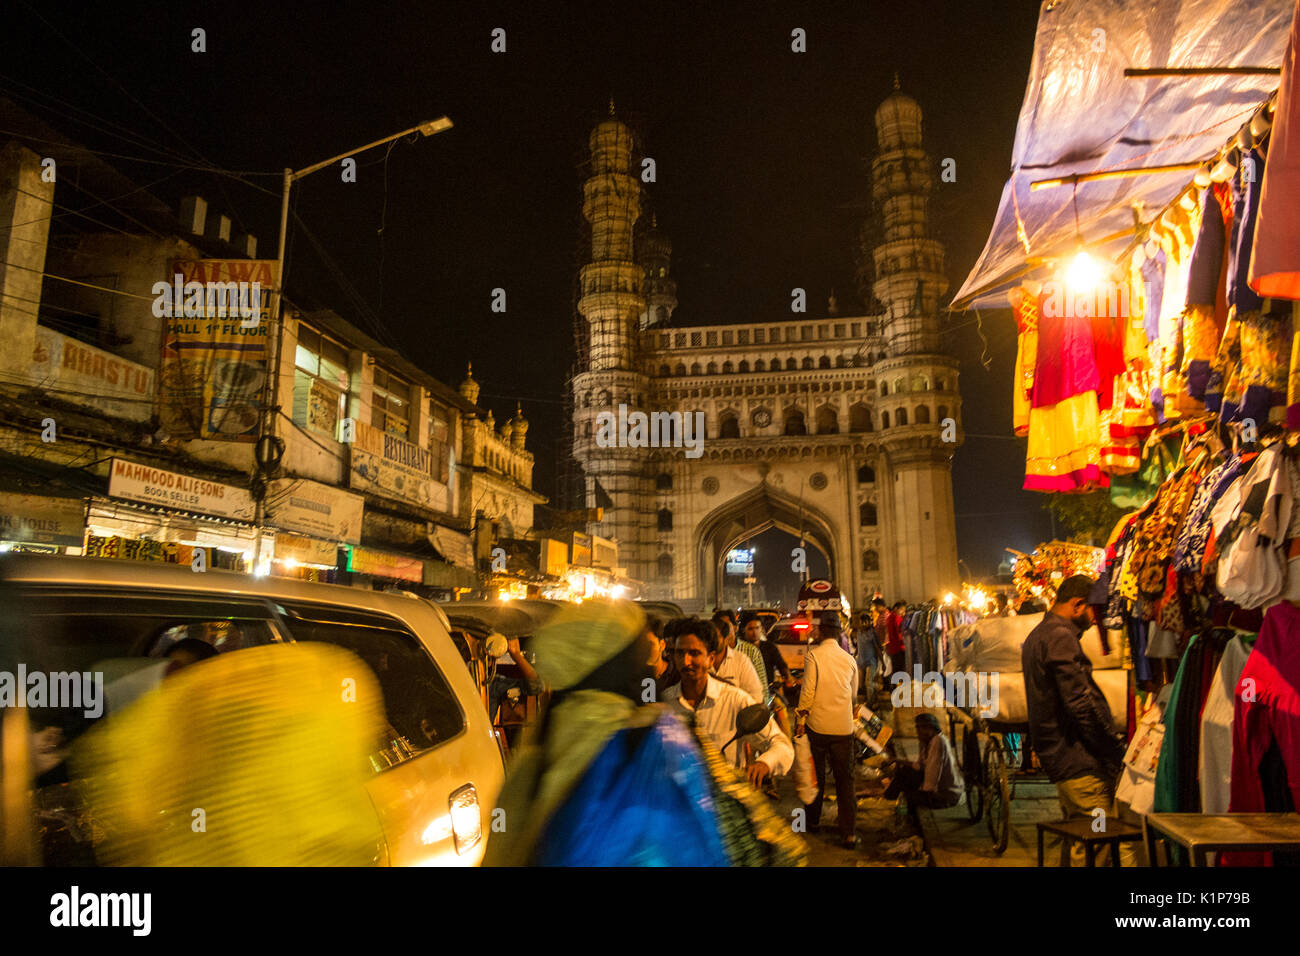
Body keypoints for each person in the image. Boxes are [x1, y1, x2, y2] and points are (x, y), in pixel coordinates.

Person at [1021, 574, 1129, 865]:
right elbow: (1081, 704)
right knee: (1096, 844)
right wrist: (1113, 751)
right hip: (1081, 765)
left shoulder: (1040, 635)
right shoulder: (1059, 637)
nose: (1098, 621)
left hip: (1065, 762)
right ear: (1078, 605)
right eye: (1096, 610)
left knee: (1080, 842)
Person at [663, 617, 792, 789]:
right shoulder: (665, 704)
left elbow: (781, 744)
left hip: (726, 804)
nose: (686, 662)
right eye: (680, 653)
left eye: (694, 653)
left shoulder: (735, 700)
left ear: (710, 658)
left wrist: (764, 764)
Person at [796, 614, 860, 848]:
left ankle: (812, 822)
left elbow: (808, 692)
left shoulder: (814, 656)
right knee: (846, 780)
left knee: (817, 777)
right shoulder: (849, 659)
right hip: (843, 728)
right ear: (839, 633)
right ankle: (849, 833)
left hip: (818, 727)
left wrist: (801, 717)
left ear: (821, 632)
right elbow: (853, 694)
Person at [882, 713, 964, 812]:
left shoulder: (938, 741)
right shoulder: (926, 741)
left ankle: (889, 800)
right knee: (904, 772)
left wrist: (924, 791)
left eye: (922, 729)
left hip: (945, 795)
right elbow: (919, 766)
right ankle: (887, 797)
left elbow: (932, 771)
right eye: (918, 729)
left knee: (908, 797)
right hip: (937, 790)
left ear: (931, 729)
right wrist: (896, 760)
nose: (919, 732)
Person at [708, 611, 765, 703]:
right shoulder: (701, 661)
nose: (712, 641)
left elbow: (757, 696)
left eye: (727, 626)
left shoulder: (742, 659)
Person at [742, 613, 790, 695]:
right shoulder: (741, 649)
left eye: (757, 628)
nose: (754, 632)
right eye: (750, 629)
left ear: (761, 629)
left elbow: (781, 664)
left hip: (768, 691)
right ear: (744, 630)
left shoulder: (769, 647)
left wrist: (788, 677)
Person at [645, 612, 679, 700]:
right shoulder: (634, 676)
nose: (645, 650)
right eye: (641, 645)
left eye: (650, 644)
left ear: (662, 645)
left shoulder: (677, 675)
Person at [850, 610, 879, 699]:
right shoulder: (859, 632)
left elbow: (877, 648)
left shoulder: (872, 633)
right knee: (860, 684)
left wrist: (883, 663)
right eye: (862, 622)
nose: (863, 624)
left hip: (871, 662)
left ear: (869, 622)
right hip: (861, 661)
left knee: (868, 683)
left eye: (865, 622)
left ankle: (870, 703)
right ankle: (874, 693)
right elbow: (859, 646)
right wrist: (854, 656)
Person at [885, 600, 907, 676]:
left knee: (895, 669)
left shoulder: (889, 617)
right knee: (900, 668)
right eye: (902, 610)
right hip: (899, 647)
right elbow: (899, 633)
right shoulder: (896, 618)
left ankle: (895, 685)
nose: (902, 612)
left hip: (892, 647)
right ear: (896, 608)